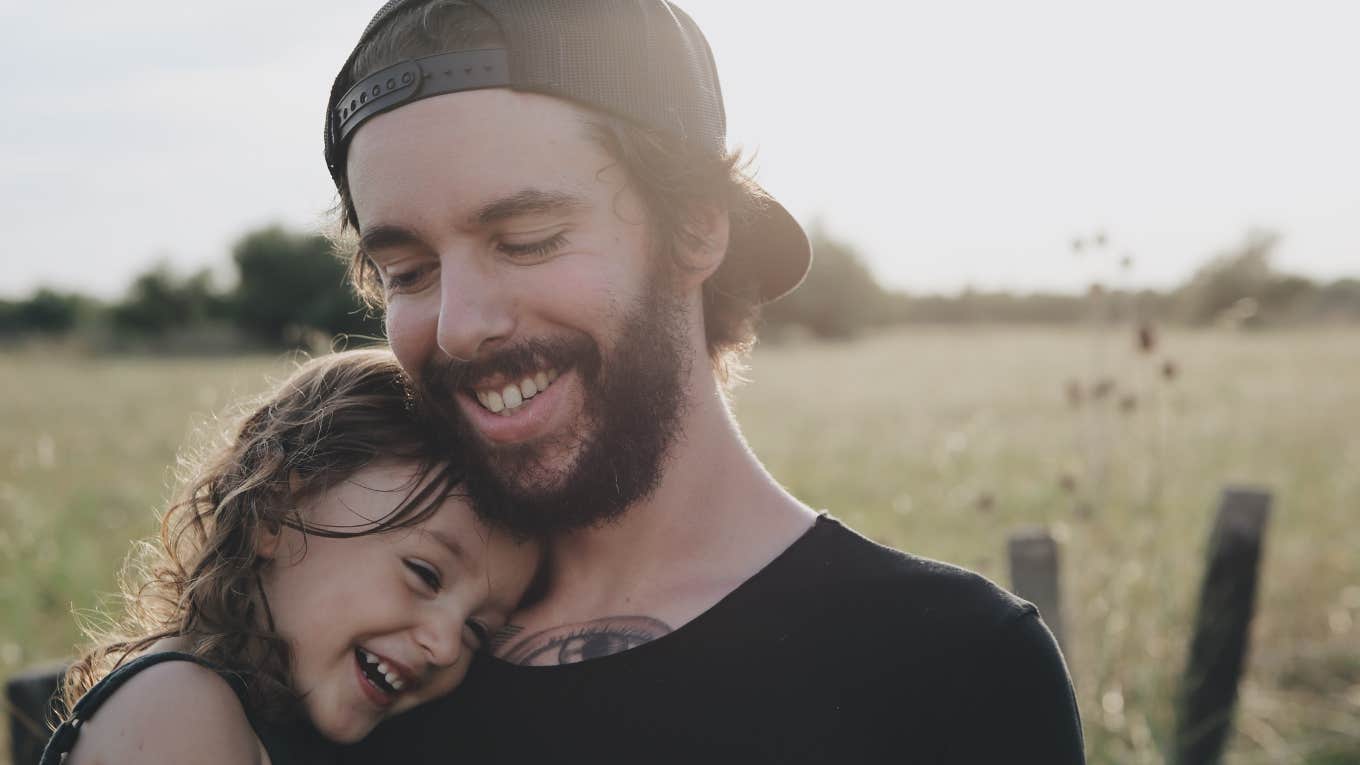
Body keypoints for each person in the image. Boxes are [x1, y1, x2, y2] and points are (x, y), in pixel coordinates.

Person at [326, 1, 1086, 761]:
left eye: (527, 241)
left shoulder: (953, 671)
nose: (459, 324)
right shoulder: (360, 665)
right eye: (409, 272)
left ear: (695, 231)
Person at [43, 350, 540, 764]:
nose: (447, 646)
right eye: (425, 575)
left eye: (479, 629)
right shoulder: (175, 710)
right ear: (274, 511)